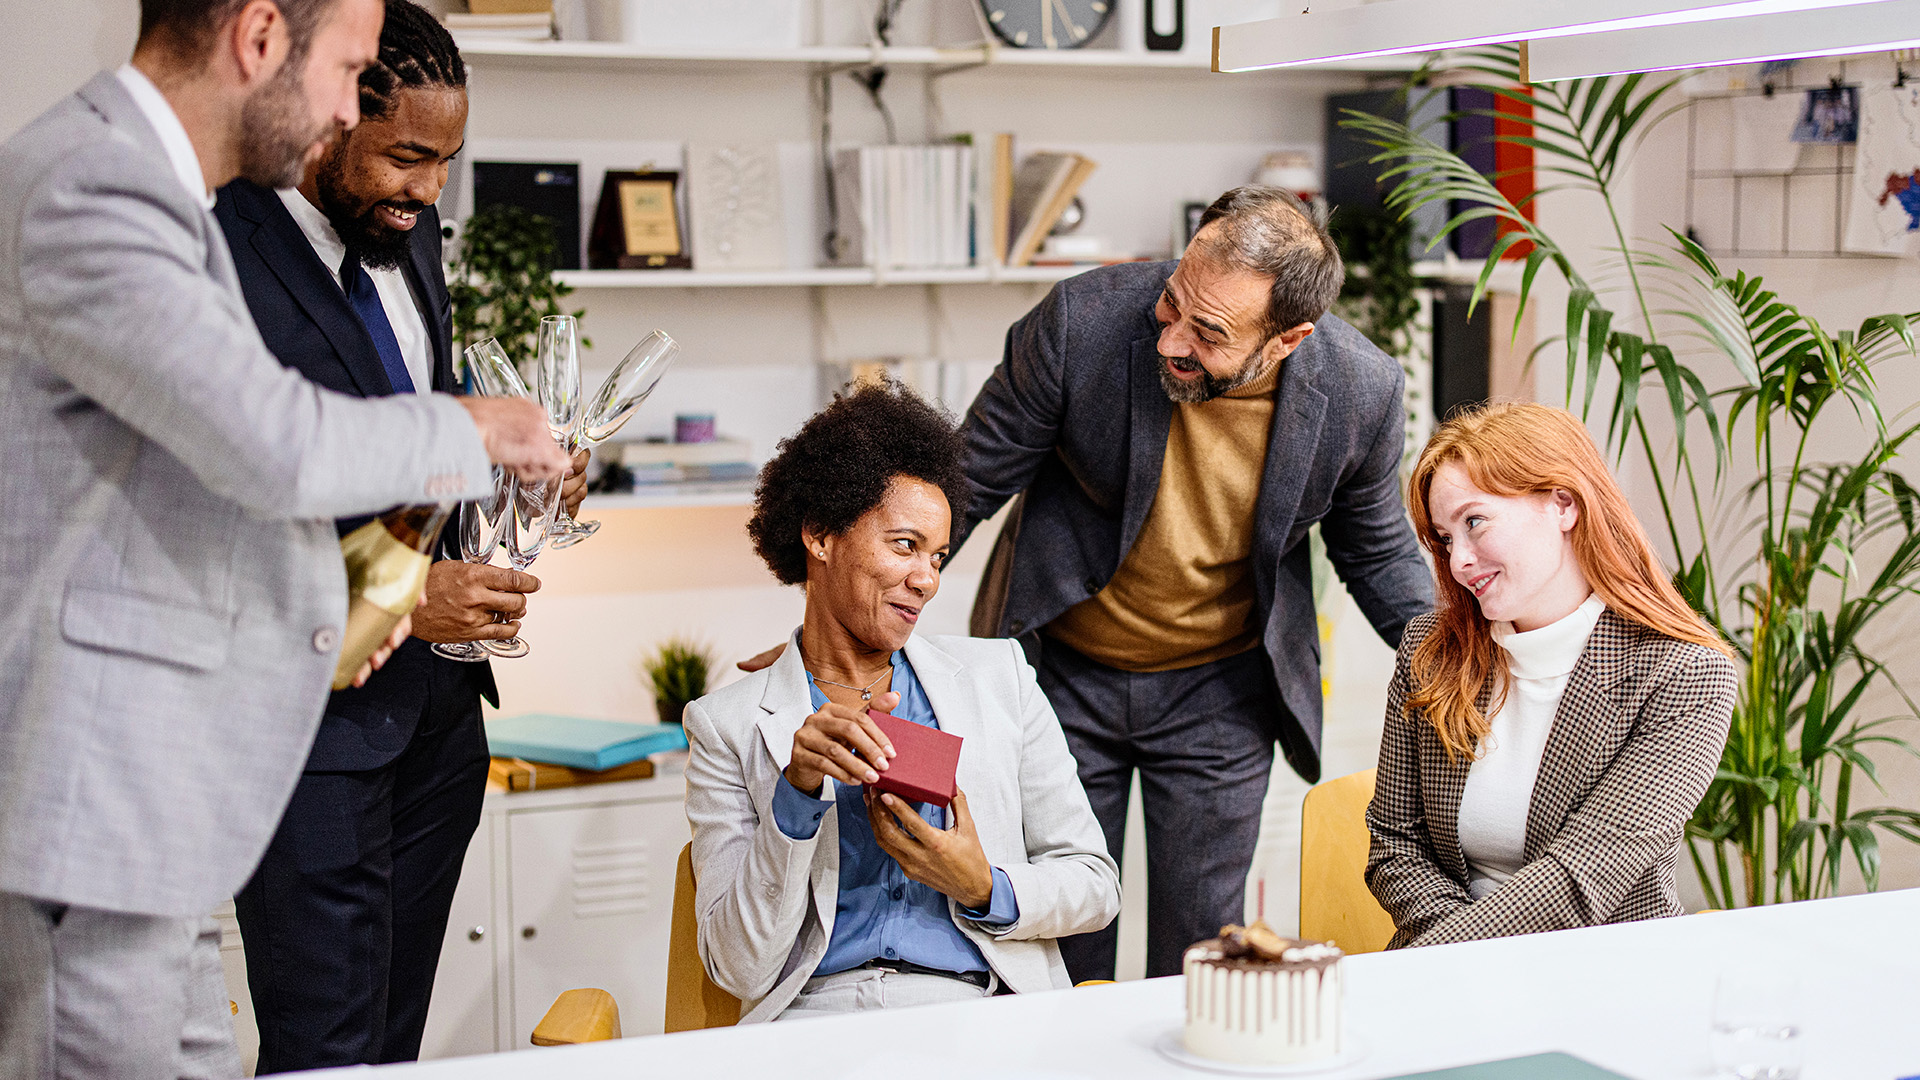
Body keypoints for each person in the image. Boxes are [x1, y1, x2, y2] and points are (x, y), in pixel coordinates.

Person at [0, 1, 568, 1077]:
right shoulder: (96, 185)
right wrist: (470, 433)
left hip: (175, 788)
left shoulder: (146, 185)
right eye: (348, 71)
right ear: (260, 39)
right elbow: (271, 443)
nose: (345, 108)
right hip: (99, 786)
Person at [210, 2, 586, 1069]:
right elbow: (216, 522)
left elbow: (417, 438)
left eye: (447, 162)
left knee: (393, 1046)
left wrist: (516, 474)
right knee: (324, 1051)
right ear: (332, 115)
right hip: (311, 738)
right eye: (407, 157)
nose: (429, 191)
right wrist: (407, 598)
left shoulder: (409, 240)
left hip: (438, 728)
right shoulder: (217, 250)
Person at [956, 185, 1432, 981]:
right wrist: (848, 623)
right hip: (1061, 675)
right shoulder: (1081, 323)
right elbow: (963, 482)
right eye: (1173, 302)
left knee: (1200, 953)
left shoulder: (1361, 389)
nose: (1170, 339)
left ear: (1288, 338)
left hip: (1221, 694)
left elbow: (1377, 552)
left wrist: (1464, 663)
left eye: (1208, 333)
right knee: (1056, 943)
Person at [685, 379, 1120, 1023]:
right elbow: (736, 965)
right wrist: (795, 794)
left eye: (937, 556)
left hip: (976, 1009)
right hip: (814, 1020)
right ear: (820, 535)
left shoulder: (1000, 678)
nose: (927, 580)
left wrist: (983, 886)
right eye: (905, 545)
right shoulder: (726, 724)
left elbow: (1094, 883)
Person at [1367, 403, 1736, 948]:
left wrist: (1433, 959)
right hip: (1441, 971)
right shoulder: (1431, 650)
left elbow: (1580, 879)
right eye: (1445, 538)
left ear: (1563, 504)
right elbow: (1394, 841)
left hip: (1602, 970)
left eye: (1474, 522)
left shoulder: (1684, 673)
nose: (1458, 560)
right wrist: (1443, 964)